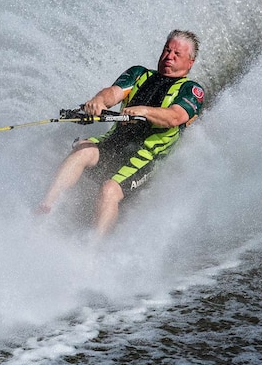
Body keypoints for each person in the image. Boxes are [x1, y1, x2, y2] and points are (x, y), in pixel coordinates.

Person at [36, 29, 205, 235]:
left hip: (146, 158)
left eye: (176, 54)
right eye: (166, 50)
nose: (169, 56)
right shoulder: (139, 74)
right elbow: (113, 93)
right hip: (114, 144)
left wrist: (143, 110)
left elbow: (175, 117)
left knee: (109, 189)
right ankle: (43, 212)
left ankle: (91, 254)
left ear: (190, 62)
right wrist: (99, 101)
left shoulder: (192, 90)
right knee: (82, 150)